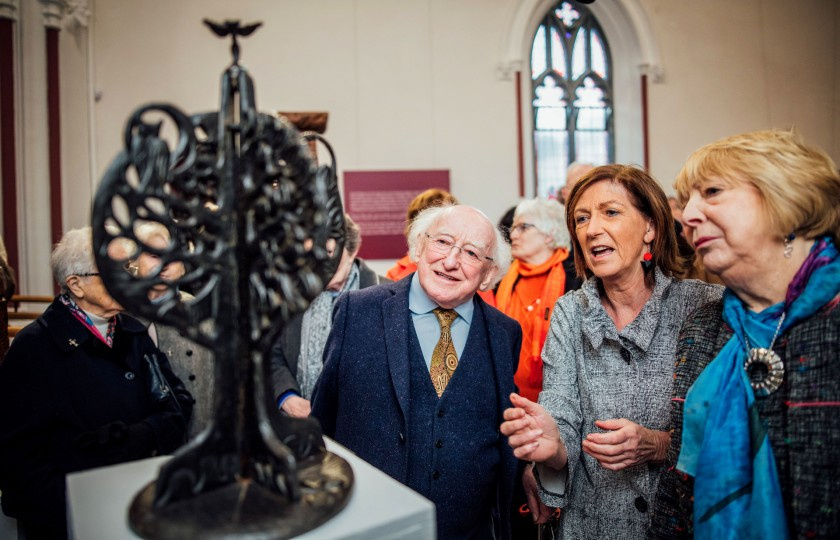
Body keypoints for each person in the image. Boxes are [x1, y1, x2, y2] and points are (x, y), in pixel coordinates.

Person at [500, 165, 722, 539]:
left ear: (650, 228)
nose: (591, 229)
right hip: (592, 525)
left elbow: (735, 429)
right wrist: (552, 443)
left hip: (687, 522)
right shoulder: (570, 312)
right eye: (582, 218)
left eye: (611, 212)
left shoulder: (703, 306)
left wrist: (658, 444)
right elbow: (562, 413)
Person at [650, 130, 840, 538]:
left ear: (787, 199)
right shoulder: (702, 326)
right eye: (686, 204)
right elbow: (677, 486)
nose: (688, 217)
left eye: (712, 192)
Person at [311, 204, 521, 539]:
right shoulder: (357, 311)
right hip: (371, 524)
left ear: (489, 273)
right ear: (419, 246)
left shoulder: (504, 333)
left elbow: (503, 434)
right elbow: (322, 421)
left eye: (470, 253)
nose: (451, 261)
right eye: (442, 242)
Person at [0, 227, 191, 538]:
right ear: (76, 284)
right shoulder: (34, 347)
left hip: (137, 505)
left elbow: (178, 403)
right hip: (71, 522)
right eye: (114, 271)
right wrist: (81, 504)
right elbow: (20, 465)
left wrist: (143, 435)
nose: (129, 279)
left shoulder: (132, 331)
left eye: (129, 268)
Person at [270, 213, 388, 418]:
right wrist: (287, 397)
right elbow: (272, 352)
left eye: (328, 251)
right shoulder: (287, 293)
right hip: (296, 426)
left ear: (352, 251)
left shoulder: (387, 296)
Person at [127, 221, 213, 440]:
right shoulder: (122, 315)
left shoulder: (200, 312)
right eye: (154, 255)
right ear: (135, 260)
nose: (164, 264)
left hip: (199, 436)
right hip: (144, 441)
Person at [496, 198, 570, 402]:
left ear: (550, 235)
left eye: (523, 227)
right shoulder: (501, 277)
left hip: (557, 399)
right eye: (513, 228)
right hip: (508, 397)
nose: (513, 235)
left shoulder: (575, 280)